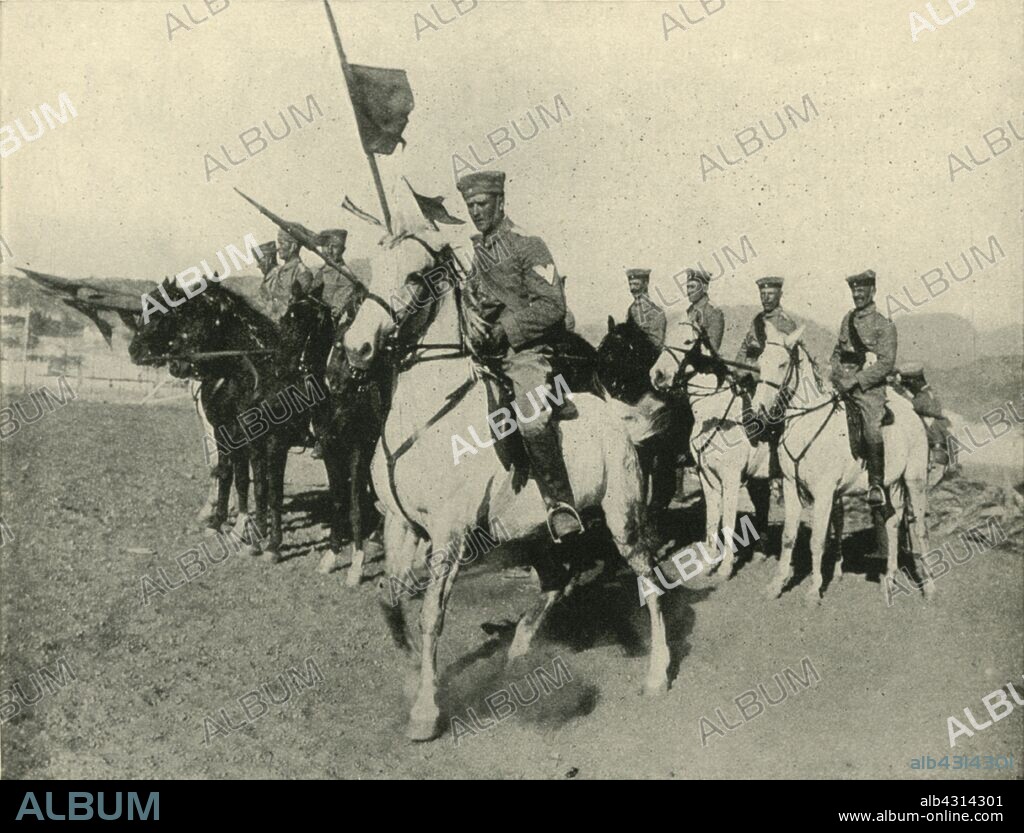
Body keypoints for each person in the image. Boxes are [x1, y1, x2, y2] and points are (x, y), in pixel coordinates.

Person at [457, 169, 582, 543]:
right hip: (485, 355)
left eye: (481, 204)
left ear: (500, 201)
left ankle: (561, 504)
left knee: (531, 419)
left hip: (525, 352)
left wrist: (506, 331)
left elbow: (552, 306)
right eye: (470, 206)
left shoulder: (530, 244)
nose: (476, 212)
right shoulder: (478, 251)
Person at [830, 269, 897, 510]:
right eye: (854, 290)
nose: (857, 294)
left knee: (871, 427)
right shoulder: (847, 320)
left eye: (862, 290)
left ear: (873, 291)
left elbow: (886, 363)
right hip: (842, 384)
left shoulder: (883, 325)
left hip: (869, 389)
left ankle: (876, 484)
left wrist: (856, 380)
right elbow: (838, 352)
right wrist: (835, 372)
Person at [896, 362, 954, 471]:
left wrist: (901, 392)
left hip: (935, 454)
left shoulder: (925, 397)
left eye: (906, 384)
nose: (905, 387)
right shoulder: (926, 393)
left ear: (914, 381)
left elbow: (913, 405)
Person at [260, 227, 313, 320]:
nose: (278, 248)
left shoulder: (302, 273)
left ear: (293, 246)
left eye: (282, 243)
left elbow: (294, 306)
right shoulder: (278, 271)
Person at [685, 267, 725, 354]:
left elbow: (712, 348)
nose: (688, 291)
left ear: (704, 288)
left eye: (692, 287)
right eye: (687, 287)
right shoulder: (689, 311)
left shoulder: (714, 313)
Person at [625, 268, 666, 350]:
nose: (632, 288)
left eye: (636, 284)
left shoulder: (656, 311)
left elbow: (657, 343)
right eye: (630, 284)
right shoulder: (631, 310)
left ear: (646, 284)